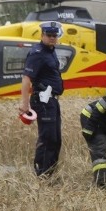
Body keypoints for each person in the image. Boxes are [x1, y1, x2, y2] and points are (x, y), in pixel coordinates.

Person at [18, 21, 65, 177]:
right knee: (47, 138)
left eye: (54, 35)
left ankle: (50, 173)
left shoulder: (50, 51)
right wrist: (24, 104)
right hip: (43, 101)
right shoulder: (37, 53)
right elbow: (26, 78)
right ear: (42, 35)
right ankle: (42, 175)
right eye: (49, 35)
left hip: (52, 100)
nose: (52, 38)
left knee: (56, 139)